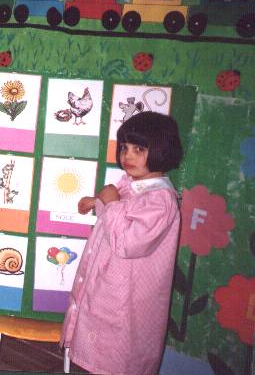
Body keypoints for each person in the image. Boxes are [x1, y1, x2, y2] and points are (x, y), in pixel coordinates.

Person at [61, 111, 183, 375]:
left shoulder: (161, 200)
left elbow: (128, 242)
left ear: (163, 150)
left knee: (117, 361)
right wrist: (99, 201)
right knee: (98, 356)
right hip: (108, 292)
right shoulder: (133, 184)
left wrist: (111, 201)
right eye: (125, 147)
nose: (128, 155)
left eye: (139, 149)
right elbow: (123, 209)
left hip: (126, 303)